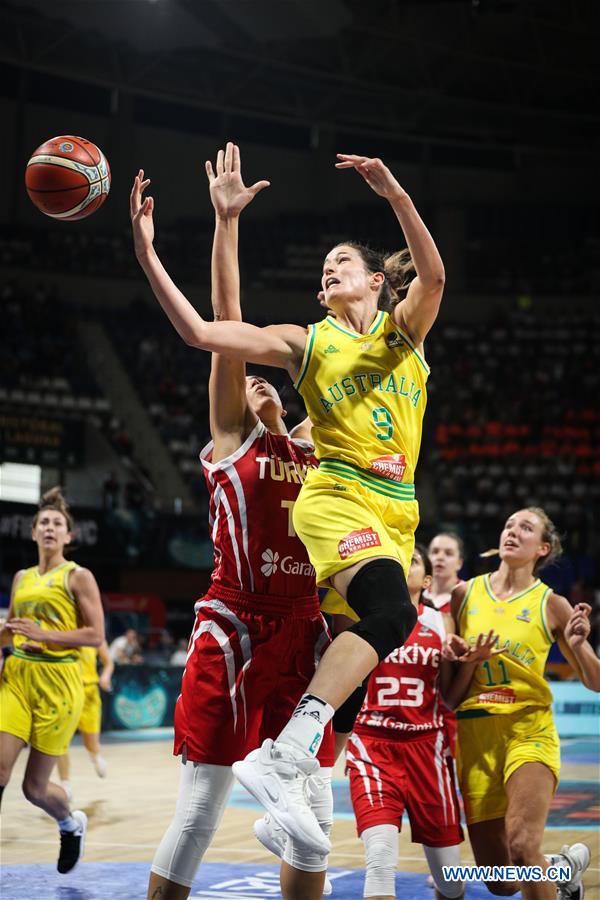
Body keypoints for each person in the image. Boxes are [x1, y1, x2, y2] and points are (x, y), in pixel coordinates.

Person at [131, 146, 445, 854]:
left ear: (374, 281)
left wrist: (395, 191)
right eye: (323, 265)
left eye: (343, 262)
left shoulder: (406, 334)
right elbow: (210, 332)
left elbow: (434, 273)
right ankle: (283, 756)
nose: (329, 269)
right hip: (335, 498)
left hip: (395, 507)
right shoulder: (308, 343)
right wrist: (157, 252)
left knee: (366, 650)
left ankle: (295, 782)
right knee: (394, 612)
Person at [143, 145, 334, 900]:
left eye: (264, 374)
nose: (254, 378)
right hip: (235, 621)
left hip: (304, 626)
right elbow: (225, 320)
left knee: (315, 811)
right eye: (246, 374)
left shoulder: (319, 443)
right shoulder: (235, 437)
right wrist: (225, 224)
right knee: (201, 808)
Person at [445, 507, 599, 900]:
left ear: (541, 548)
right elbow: (449, 697)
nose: (512, 531)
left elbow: (595, 681)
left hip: (528, 731)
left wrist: (580, 648)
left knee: (521, 843)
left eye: (525, 528)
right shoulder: (463, 595)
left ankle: (543, 865)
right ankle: (560, 872)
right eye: (509, 525)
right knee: (501, 880)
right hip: (476, 737)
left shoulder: (552, 603)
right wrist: (463, 661)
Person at [346, 544, 467, 900]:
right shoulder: (361, 613)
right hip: (371, 746)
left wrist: (467, 663)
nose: (403, 562)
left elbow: (448, 698)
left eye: (412, 560)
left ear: (427, 580)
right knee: (380, 860)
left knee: (451, 882)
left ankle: (553, 868)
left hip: (426, 749)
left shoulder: (440, 623)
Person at [0, 487, 105, 874]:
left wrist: (45, 635)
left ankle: (69, 823)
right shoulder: (21, 578)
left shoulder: (78, 577)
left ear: (68, 536)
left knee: (34, 789)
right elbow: (12, 630)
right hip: (16, 677)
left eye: (57, 524)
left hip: (59, 682)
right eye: (43, 522)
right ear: (32, 532)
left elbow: (95, 636)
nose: (49, 527)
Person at [56, 640, 113, 797]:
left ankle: (95, 755)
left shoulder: (95, 634)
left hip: (89, 693)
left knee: (91, 743)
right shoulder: (63, 630)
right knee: (61, 742)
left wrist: (105, 676)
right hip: (66, 691)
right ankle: (65, 783)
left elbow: (109, 663)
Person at [425, 532, 464, 614]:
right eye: (435, 552)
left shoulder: (468, 594)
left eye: (448, 553)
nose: (440, 557)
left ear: (459, 563)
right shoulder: (417, 593)